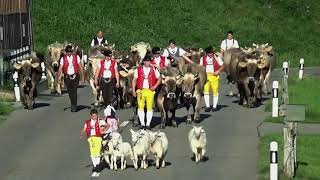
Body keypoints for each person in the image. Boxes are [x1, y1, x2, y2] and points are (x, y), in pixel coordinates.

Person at [132, 54, 161, 129]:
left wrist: (154, 86)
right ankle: (142, 123)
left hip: (150, 91)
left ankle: (148, 124)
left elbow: (159, 79)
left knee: (149, 108)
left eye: (149, 61)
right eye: (147, 61)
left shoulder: (154, 69)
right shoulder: (138, 70)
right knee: (140, 107)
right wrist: (133, 90)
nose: (148, 63)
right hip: (140, 90)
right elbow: (134, 80)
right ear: (144, 62)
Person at [80, 109, 108, 177]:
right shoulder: (88, 122)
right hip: (90, 138)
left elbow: (107, 125)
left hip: (98, 137)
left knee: (97, 152)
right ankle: (95, 166)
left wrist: (103, 131)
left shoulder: (100, 121)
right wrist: (81, 134)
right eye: (93, 116)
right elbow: (84, 129)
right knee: (92, 153)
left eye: (96, 116)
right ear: (91, 116)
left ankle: (97, 168)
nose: (95, 117)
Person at [57, 45, 83, 112]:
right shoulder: (63, 58)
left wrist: (83, 76)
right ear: (66, 52)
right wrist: (58, 76)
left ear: (72, 52)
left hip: (75, 76)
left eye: (70, 52)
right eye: (68, 52)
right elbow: (60, 68)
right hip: (67, 76)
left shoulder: (76, 57)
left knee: (74, 90)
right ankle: (73, 102)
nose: (69, 53)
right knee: (69, 91)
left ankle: (74, 105)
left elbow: (80, 66)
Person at [200, 46, 224, 112]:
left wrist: (218, 71)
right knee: (206, 91)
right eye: (209, 53)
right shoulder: (202, 58)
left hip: (214, 76)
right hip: (206, 76)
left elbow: (223, 65)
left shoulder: (216, 57)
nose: (211, 54)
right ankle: (207, 106)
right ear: (206, 53)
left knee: (215, 91)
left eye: (212, 53)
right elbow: (200, 67)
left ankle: (214, 106)